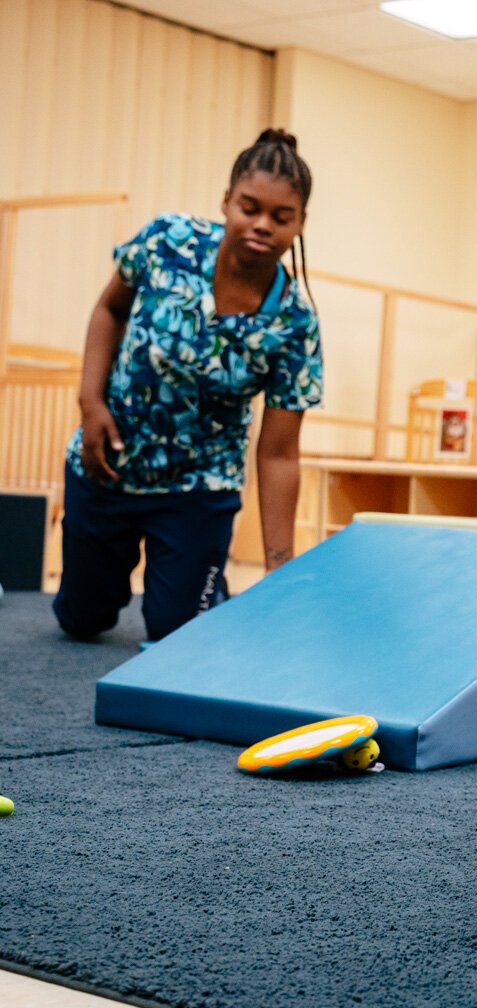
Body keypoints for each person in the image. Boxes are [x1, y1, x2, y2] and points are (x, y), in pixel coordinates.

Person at [53, 129, 322, 643]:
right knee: (83, 620)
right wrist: (90, 403)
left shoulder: (295, 323)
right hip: (110, 462)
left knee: (182, 637)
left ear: (300, 224)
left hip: (199, 488)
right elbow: (109, 309)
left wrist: (279, 567)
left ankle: (202, 587)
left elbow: (280, 453)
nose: (262, 225)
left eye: (281, 217)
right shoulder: (166, 241)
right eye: (249, 207)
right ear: (226, 202)